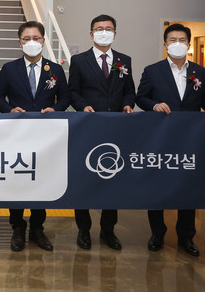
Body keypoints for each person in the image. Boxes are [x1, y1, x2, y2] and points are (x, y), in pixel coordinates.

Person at [136, 23, 205, 257]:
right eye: (172, 40)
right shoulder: (153, 71)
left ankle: (186, 236)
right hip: (160, 138)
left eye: (182, 40)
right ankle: (157, 233)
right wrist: (154, 105)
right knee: (157, 185)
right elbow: (141, 97)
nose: (177, 44)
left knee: (188, 185)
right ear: (165, 44)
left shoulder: (200, 72)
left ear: (189, 44)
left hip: (189, 140)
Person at [0, 20, 70, 252]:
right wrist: (9, 110)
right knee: (17, 179)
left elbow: (65, 97)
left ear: (43, 41)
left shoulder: (55, 70)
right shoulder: (9, 69)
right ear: (20, 43)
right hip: (17, 134)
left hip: (46, 136)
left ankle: (37, 228)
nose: (31, 42)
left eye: (36, 38)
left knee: (41, 180)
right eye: (26, 39)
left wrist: (55, 109)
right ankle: (17, 227)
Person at [68, 14, 135, 251]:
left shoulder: (124, 60)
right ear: (91, 34)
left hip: (116, 128)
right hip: (88, 127)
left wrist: (128, 105)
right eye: (99, 29)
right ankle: (83, 230)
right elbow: (73, 91)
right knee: (84, 178)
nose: (103, 32)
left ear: (115, 33)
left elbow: (130, 91)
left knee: (112, 179)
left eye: (108, 29)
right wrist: (82, 106)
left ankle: (108, 230)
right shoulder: (79, 60)